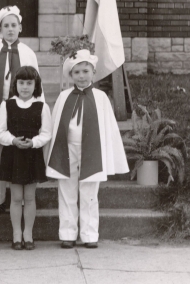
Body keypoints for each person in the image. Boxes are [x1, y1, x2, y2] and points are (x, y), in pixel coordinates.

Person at [45, 49, 129, 249]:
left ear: (93, 72)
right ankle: (68, 233)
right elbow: (56, 124)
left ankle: (90, 234)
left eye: (85, 71)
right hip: (67, 148)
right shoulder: (64, 97)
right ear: (70, 75)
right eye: (77, 72)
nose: (81, 76)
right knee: (67, 190)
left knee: (90, 192)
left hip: (91, 150)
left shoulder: (100, 98)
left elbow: (108, 128)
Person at [0, 5, 42, 214]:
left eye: (14, 25)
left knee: (20, 152)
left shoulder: (27, 53)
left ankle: (22, 198)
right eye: (6, 26)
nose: (10, 29)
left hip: (22, 110)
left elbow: (35, 83)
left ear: (20, 27)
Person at [0, 66, 51, 250]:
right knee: (15, 196)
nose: (25, 87)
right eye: (21, 83)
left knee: (29, 197)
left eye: (29, 83)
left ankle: (28, 233)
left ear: (36, 85)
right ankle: (16, 234)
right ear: (15, 84)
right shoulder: (7, 105)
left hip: (31, 154)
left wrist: (34, 142)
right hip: (13, 154)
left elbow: (46, 133)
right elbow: (0, 132)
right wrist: (13, 140)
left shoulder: (42, 106)